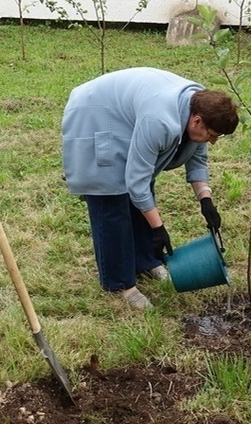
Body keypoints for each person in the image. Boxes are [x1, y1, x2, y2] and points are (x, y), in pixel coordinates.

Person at [61, 67, 239, 310]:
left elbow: (197, 161)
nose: (213, 141)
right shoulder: (160, 121)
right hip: (95, 114)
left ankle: (146, 262)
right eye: (211, 135)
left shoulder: (202, 108)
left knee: (142, 198)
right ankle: (120, 284)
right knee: (112, 200)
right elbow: (137, 181)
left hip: (129, 112)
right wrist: (159, 229)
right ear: (197, 120)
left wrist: (206, 200)